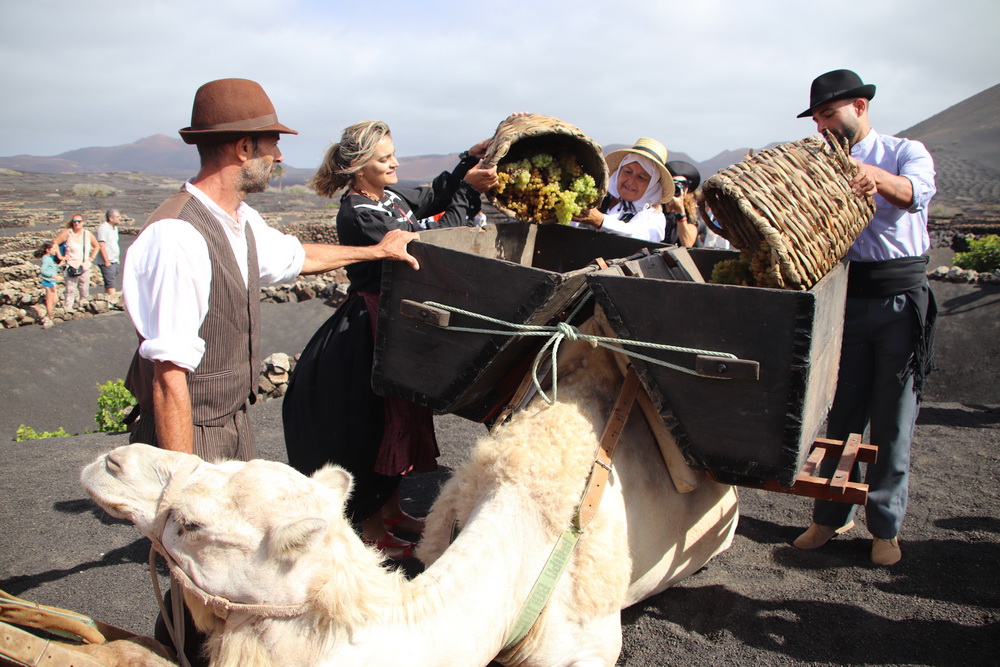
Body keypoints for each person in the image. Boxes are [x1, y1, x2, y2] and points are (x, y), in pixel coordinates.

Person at [123, 79, 420, 667]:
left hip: (230, 424)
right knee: (195, 574)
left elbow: (297, 257)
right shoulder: (178, 236)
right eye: (271, 144)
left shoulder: (237, 221)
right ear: (243, 149)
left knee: (225, 577)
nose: (280, 156)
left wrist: (376, 251)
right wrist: (184, 487)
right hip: (190, 430)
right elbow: (168, 375)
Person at [283, 120, 498, 561]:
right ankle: (372, 527)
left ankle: (394, 512)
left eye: (393, 154)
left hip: (398, 320)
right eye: (384, 159)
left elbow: (434, 194)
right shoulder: (359, 213)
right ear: (359, 166)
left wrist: (467, 160)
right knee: (375, 424)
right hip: (372, 327)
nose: (395, 163)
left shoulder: (389, 198)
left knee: (401, 418)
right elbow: (428, 244)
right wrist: (468, 191)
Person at [791, 69, 937, 566]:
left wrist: (877, 178)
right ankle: (830, 517)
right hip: (846, 300)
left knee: (893, 420)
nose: (821, 126)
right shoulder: (820, 163)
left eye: (828, 114)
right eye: (816, 119)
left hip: (900, 302)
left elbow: (916, 193)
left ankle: (885, 528)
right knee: (841, 415)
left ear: (859, 106)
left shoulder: (905, 152)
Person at [571, 137, 673, 242]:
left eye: (641, 177)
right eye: (628, 172)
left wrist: (601, 220)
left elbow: (638, 235)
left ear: (652, 185)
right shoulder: (597, 198)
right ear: (618, 172)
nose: (631, 181)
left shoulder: (653, 217)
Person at [52, 214, 100, 311]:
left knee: (84, 290)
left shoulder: (87, 234)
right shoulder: (68, 233)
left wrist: (91, 258)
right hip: (71, 266)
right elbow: (54, 243)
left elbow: (97, 246)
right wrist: (60, 256)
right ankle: (68, 310)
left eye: (79, 221)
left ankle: (84, 309)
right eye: (74, 221)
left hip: (85, 266)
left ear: (83, 222)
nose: (76, 223)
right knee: (70, 290)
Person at [663, 160, 702, 247]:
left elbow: (687, 243)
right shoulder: (656, 209)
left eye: (682, 185)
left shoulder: (692, 212)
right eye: (673, 184)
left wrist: (680, 212)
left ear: (686, 190)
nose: (677, 188)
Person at [95, 208, 121, 294]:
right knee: (111, 284)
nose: (119, 218)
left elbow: (114, 243)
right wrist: (106, 261)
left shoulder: (114, 228)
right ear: (111, 218)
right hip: (107, 261)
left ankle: (107, 299)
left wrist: (117, 258)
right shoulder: (104, 228)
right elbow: (101, 245)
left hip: (114, 260)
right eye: (117, 217)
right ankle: (112, 299)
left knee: (109, 283)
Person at [35, 240, 59, 325]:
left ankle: (49, 315)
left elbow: (51, 268)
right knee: (50, 300)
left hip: (51, 282)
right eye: (54, 249)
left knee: (55, 300)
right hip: (48, 282)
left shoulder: (49, 258)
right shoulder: (46, 259)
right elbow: (43, 270)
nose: (55, 251)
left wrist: (59, 266)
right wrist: (54, 276)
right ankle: (49, 316)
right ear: (48, 250)